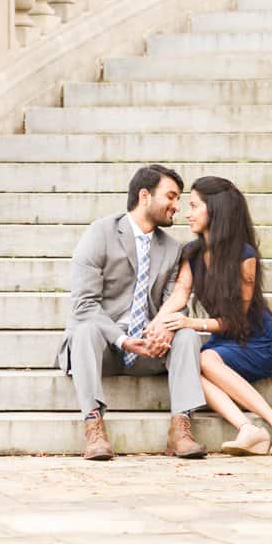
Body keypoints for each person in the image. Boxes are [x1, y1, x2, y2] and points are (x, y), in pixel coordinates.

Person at [57, 165, 207, 461]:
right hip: (105, 347)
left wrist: (162, 329)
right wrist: (122, 339)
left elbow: (174, 302)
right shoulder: (100, 232)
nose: (176, 206)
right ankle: (94, 426)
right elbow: (84, 304)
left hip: (150, 348)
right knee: (84, 329)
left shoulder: (172, 248)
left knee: (187, 334)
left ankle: (180, 428)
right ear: (144, 196)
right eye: (171, 196)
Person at [150, 176, 272, 456]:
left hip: (256, 341)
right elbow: (180, 294)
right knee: (191, 365)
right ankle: (248, 429)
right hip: (223, 343)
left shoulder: (244, 255)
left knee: (203, 358)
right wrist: (157, 323)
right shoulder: (191, 253)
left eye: (194, 206)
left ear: (214, 210)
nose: (187, 213)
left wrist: (192, 323)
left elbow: (237, 320)